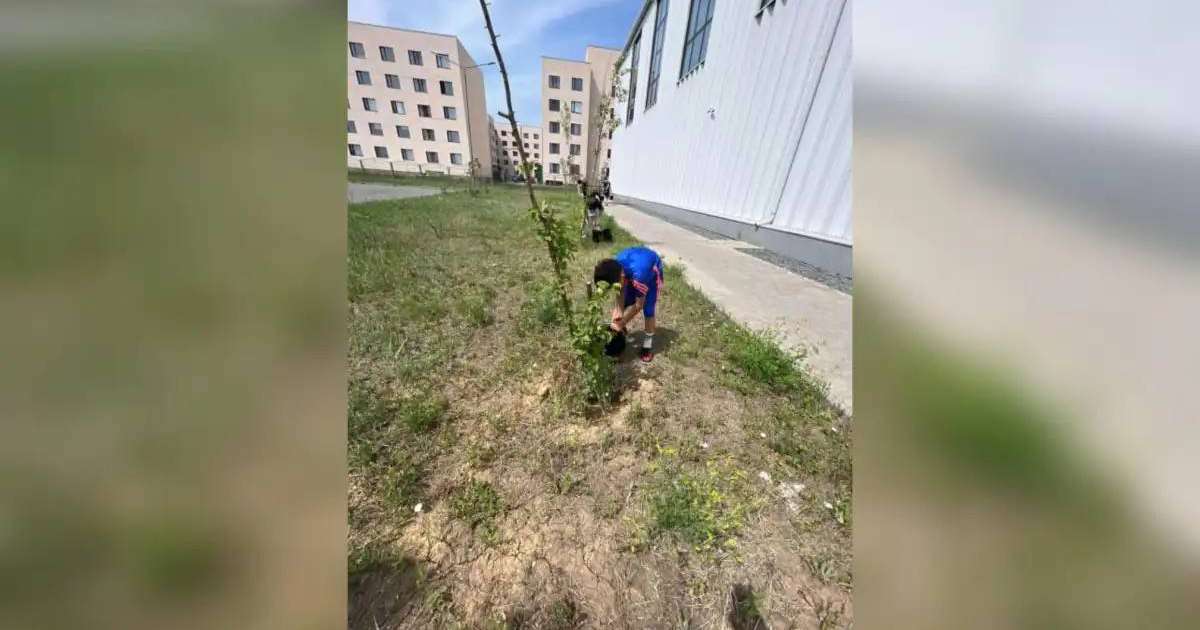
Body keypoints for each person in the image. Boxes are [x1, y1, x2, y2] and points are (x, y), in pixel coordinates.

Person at [593, 245, 664, 362]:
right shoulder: (616, 266)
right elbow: (620, 296)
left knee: (648, 309)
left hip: (651, 273)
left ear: (621, 276)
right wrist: (616, 321)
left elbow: (638, 305)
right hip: (634, 267)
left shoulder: (640, 276)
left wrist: (623, 321)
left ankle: (647, 345)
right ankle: (621, 330)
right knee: (625, 301)